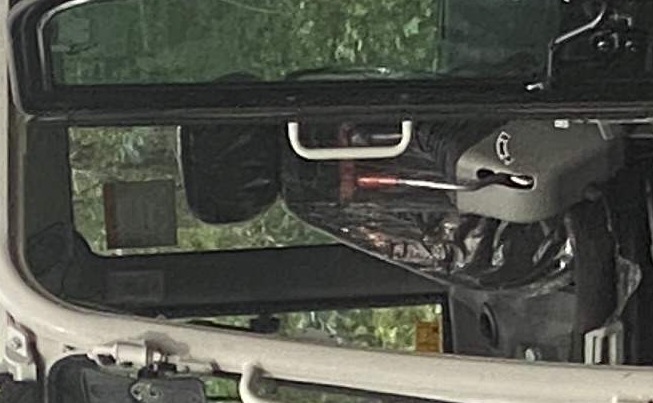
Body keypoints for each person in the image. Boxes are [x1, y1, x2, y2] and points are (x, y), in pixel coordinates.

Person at [177, 117, 621, 349]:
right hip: (563, 198)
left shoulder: (317, 125)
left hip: (560, 199)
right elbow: (483, 246)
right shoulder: (317, 160)